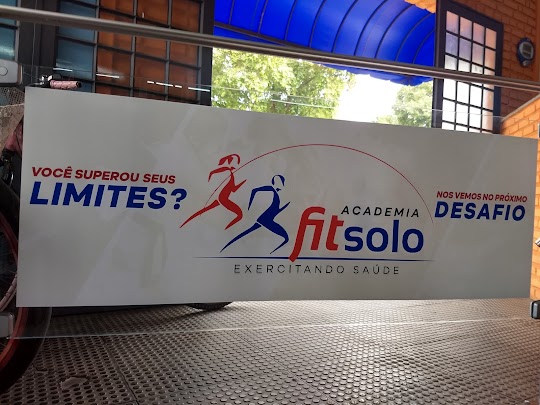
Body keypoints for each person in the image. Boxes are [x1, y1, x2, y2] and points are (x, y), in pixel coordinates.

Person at [222, 175, 289, 253]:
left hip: (267, 219)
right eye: (278, 181)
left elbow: (275, 210)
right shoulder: (271, 189)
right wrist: (249, 206)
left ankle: (228, 248)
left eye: (281, 181)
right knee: (286, 238)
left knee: (244, 234)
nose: (281, 183)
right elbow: (254, 190)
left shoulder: (279, 194)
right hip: (265, 220)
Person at [181, 154, 246, 230]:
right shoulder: (227, 170)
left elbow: (234, 189)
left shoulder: (232, 176)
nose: (235, 165)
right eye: (234, 162)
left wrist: (244, 181)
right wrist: (210, 176)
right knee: (239, 215)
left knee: (205, 209)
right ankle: (224, 230)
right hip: (223, 198)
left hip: (222, 198)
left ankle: (187, 223)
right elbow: (213, 172)